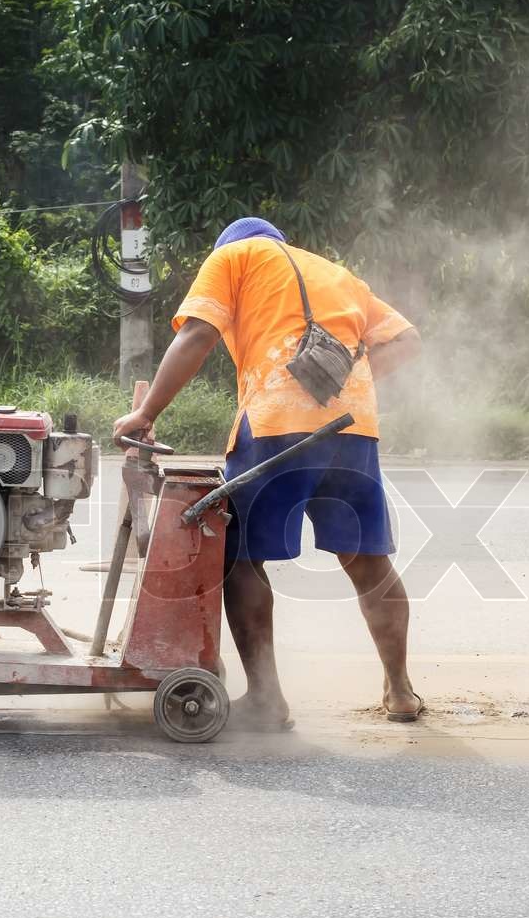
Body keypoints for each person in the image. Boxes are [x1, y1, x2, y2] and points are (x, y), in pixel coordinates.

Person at [113, 216, 424, 728]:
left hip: (276, 422)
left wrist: (145, 415)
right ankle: (401, 691)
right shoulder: (336, 272)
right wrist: (349, 380)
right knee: (368, 562)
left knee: (237, 558)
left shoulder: (232, 257)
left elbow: (197, 334)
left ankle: (266, 699)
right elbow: (407, 341)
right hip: (352, 426)